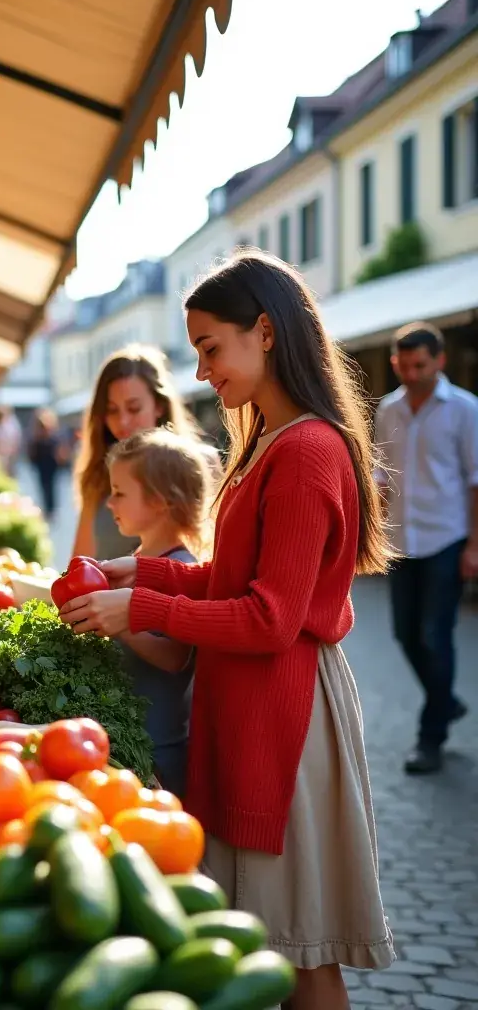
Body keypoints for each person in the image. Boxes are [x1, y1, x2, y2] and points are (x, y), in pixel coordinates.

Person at [59, 252, 394, 1009]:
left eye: (211, 347)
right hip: (257, 708)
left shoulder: (306, 450)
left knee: (301, 956)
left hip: (288, 717)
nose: (202, 370)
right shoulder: (268, 442)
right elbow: (229, 581)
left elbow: (272, 617)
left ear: (266, 332)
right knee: (268, 945)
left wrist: (142, 608)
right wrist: (137, 575)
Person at [373, 322, 478, 775]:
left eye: (420, 365)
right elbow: (381, 477)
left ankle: (429, 736)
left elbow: (476, 482)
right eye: (403, 364)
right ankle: (446, 701)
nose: (411, 374)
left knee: (435, 635)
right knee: (404, 634)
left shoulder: (465, 410)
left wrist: (474, 545)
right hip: (401, 540)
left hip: (446, 538)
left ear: (440, 361)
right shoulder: (389, 409)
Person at [104, 428, 213, 797]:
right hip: (128, 739)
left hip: (159, 748)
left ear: (159, 501)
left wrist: (121, 625)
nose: (109, 502)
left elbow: (177, 657)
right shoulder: (134, 562)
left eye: (120, 493)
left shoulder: (183, 567)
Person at [72, 344, 218, 561]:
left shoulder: (201, 463)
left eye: (134, 408)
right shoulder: (98, 472)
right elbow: (79, 560)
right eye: (112, 410)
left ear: (159, 405)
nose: (122, 422)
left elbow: (213, 551)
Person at [27, 408, 66, 517]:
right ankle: (48, 507)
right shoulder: (37, 436)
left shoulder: (53, 436)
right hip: (42, 463)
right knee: (44, 486)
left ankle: (51, 508)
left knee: (51, 487)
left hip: (51, 464)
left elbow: (59, 449)